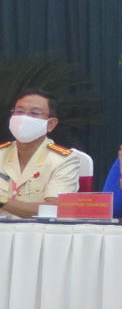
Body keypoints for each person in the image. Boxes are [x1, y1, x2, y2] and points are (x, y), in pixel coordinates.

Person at [1, 90, 80, 218]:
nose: (24, 118)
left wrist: (2, 201)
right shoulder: (2, 153)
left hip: (37, 229)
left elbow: (54, 208)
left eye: (34, 113)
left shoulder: (63, 160)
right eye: (19, 111)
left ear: (51, 124)